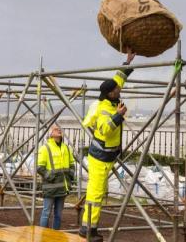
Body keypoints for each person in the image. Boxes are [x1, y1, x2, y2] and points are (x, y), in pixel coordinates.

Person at [79, 50, 136, 241]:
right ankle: (88, 229)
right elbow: (105, 130)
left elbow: (118, 79)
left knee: (98, 192)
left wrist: (127, 62)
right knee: (95, 194)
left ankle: (90, 228)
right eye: (117, 90)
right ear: (110, 93)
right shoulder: (103, 108)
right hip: (100, 157)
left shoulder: (111, 97)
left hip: (109, 155)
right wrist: (118, 115)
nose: (120, 90)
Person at [36, 125, 74, 231]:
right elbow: (39, 167)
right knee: (46, 212)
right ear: (50, 134)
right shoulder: (45, 148)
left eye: (59, 129)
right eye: (56, 129)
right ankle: (43, 236)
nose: (59, 130)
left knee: (58, 214)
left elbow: (72, 164)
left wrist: (71, 175)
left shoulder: (66, 148)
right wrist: (51, 177)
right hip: (50, 187)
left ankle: (55, 236)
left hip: (62, 187)